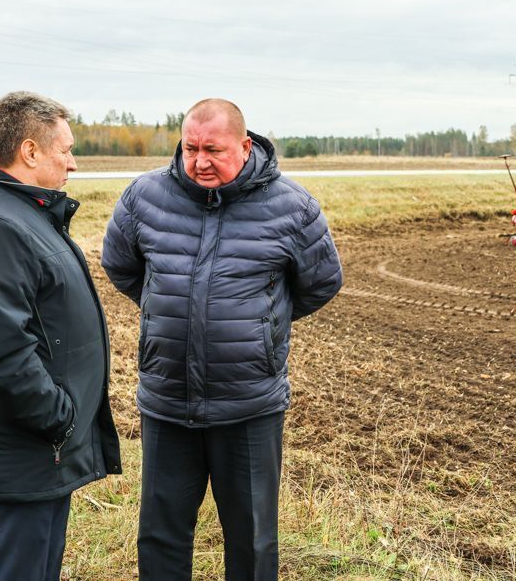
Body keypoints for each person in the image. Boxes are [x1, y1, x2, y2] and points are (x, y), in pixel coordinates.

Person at [101, 98, 342, 580]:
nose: (200, 161)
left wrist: (263, 323)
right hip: (168, 401)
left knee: (252, 538)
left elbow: (321, 282)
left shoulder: (293, 207)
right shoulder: (144, 197)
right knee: (161, 534)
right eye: (190, 148)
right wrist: (167, 308)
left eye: (213, 149)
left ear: (245, 146)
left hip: (249, 405)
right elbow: (121, 266)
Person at [0, 91, 122, 581]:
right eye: (66, 150)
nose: (73, 163)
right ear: (30, 151)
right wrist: (58, 420)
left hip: (36, 456)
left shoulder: (21, 212)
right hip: (18, 456)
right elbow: (0, 353)